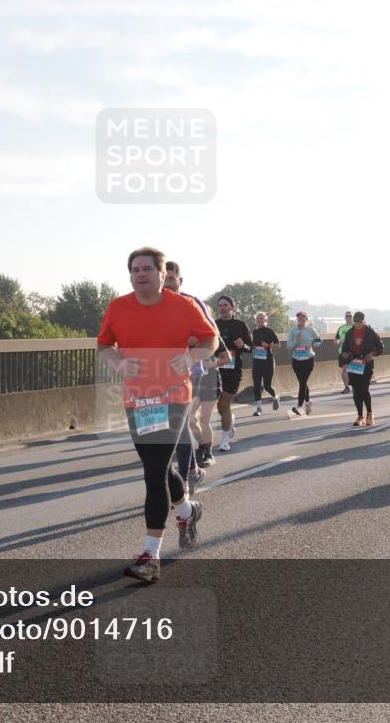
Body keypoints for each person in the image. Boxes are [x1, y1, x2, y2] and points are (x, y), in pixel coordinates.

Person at [98, 247, 218, 581]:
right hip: (136, 397)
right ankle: (188, 509)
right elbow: (104, 345)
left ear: (163, 275)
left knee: (153, 472)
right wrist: (118, 362)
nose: (140, 274)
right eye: (135, 269)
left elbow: (212, 339)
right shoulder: (118, 307)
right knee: (158, 467)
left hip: (173, 395)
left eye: (147, 269)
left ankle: (151, 556)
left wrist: (193, 355)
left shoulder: (185, 307)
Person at [164, 261, 221, 491]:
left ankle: (186, 476)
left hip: (188, 371)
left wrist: (187, 344)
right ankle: (191, 469)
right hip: (156, 372)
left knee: (181, 421)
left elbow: (211, 336)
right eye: (163, 278)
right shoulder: (149, 304)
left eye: (170, 278)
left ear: (179, 280)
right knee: (167, 426)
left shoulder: (190, 302)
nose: (166, 283)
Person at [215, 296, 253, 452]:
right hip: (216, 369)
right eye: (220, 305)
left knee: (224, 403)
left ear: (232, 307)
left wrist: (242, 345)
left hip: (233, 371)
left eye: (225, 305)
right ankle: (229, 422)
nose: (222, 308)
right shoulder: (214, 325)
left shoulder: (240, 325)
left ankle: (224, 440)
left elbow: (251, 349)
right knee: (219, 406)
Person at [337, 311, 384, 427]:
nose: (358, 325)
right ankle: (359, 416)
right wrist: (345, 355)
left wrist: (372, 354)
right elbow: (345, 349)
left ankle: (369, 413)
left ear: (364, 321)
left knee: (363, 388)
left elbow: (380, 347)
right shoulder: (350, 332)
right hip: (354, 364)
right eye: (356, 322)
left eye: (360, 322)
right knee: (356, 391)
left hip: (366, 364)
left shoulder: (370, 332)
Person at [288, 311, 322, 415]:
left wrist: (314, 344)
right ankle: (308, 402)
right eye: (299, 319)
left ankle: (299, 407)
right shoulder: (293, 331)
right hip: (296, 360)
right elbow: (289, 347)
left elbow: (319, 341)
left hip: (308, 359)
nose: (301, 320)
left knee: (302, 383)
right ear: (297, 320)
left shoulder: (311, 330)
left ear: (306, 319)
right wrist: (296, 340)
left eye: (303, 319)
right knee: (303, 383)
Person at [250, 312, 280, 416]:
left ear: (265, 320)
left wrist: (268, 345)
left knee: (267, 386)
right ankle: (259, 409)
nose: (259, 320)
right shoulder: (255, 331)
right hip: (257, 361)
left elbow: (278, 345)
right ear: (256, 320)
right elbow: (254, 345)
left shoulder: (270, 331)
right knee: (256, 386)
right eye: (258, 318)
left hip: (268, 362)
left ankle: (275, 397)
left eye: (261, 318)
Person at [335, 312, 354, 394]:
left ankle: (356, 386)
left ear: (352, 317)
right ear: (345, 318)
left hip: (354, 352)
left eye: (350, 316)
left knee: (354, 370)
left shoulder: (355, 327)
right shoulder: (341, 328)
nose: (348, 317)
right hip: (343, 352)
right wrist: (337, 342)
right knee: (345, 369)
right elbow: (336, 338)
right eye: (347, 316)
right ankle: (346, 387)